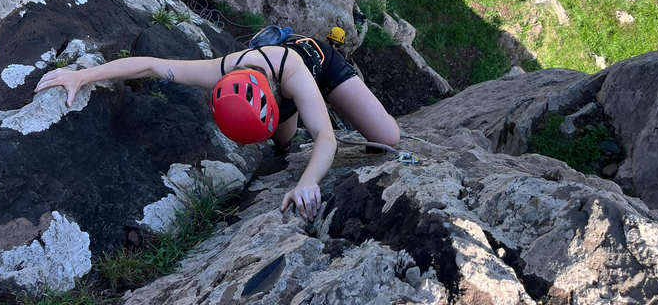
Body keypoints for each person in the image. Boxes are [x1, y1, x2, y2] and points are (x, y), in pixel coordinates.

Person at [34, 37, 399, 222]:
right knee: (284, 145)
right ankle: (284, 138)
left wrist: (308, 182)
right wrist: (83, 75)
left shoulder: (294, 74)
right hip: (282, 98)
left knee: (387, 138)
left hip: (321, 66)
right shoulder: (220, 70)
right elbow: (152, 66)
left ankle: (326, 100)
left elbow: (326, 138)